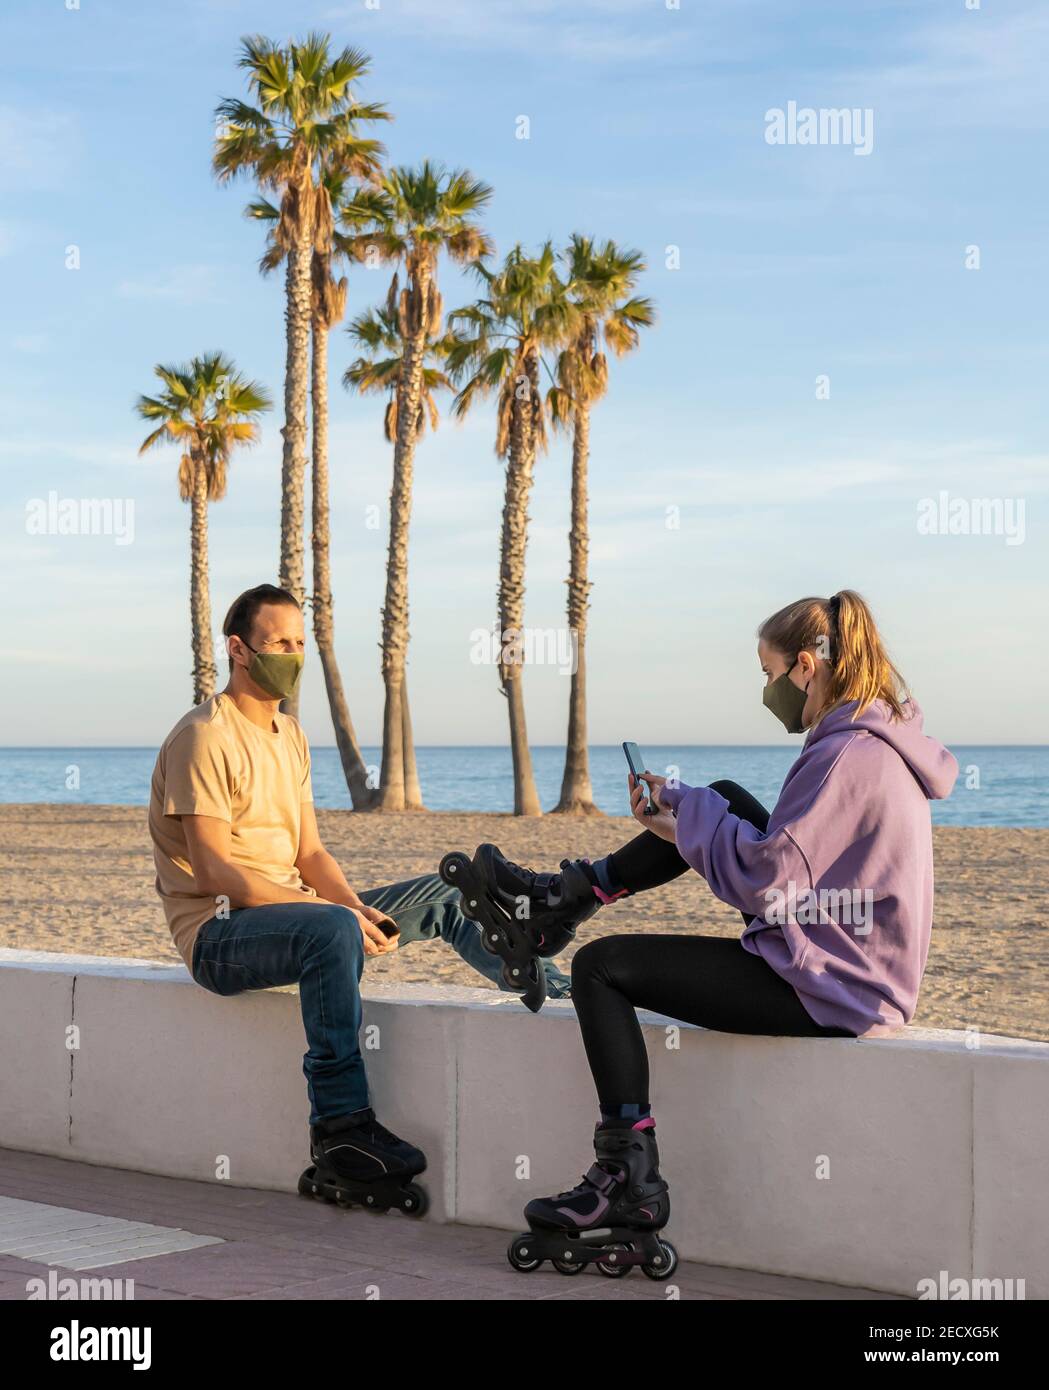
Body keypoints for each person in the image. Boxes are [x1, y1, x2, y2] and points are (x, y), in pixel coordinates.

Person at [484, 590, 959, 1261]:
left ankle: (626, 1176)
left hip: (830, 983)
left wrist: (680, 827)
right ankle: (569, 898)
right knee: (726, 798)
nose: (765, 692)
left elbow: (768, 881)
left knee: (600, 969)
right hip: (839, 950)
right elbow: (784, 860)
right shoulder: (873, 735)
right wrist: (678, 808)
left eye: (767, 676)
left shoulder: (845, 756)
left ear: (803, 667)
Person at [147, 583, 569, 1211]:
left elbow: (310, 855)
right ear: (237, 649)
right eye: (277, 643)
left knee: (447, 898)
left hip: (296, 915)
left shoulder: (288, 735)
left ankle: (547, 987)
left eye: (299, 642)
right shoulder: (206, 736)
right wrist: (331, 914)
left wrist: (350, 903)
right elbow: (213, 871)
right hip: (221, 935)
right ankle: (341, 1130)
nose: (292, 654)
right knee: (332, 930)